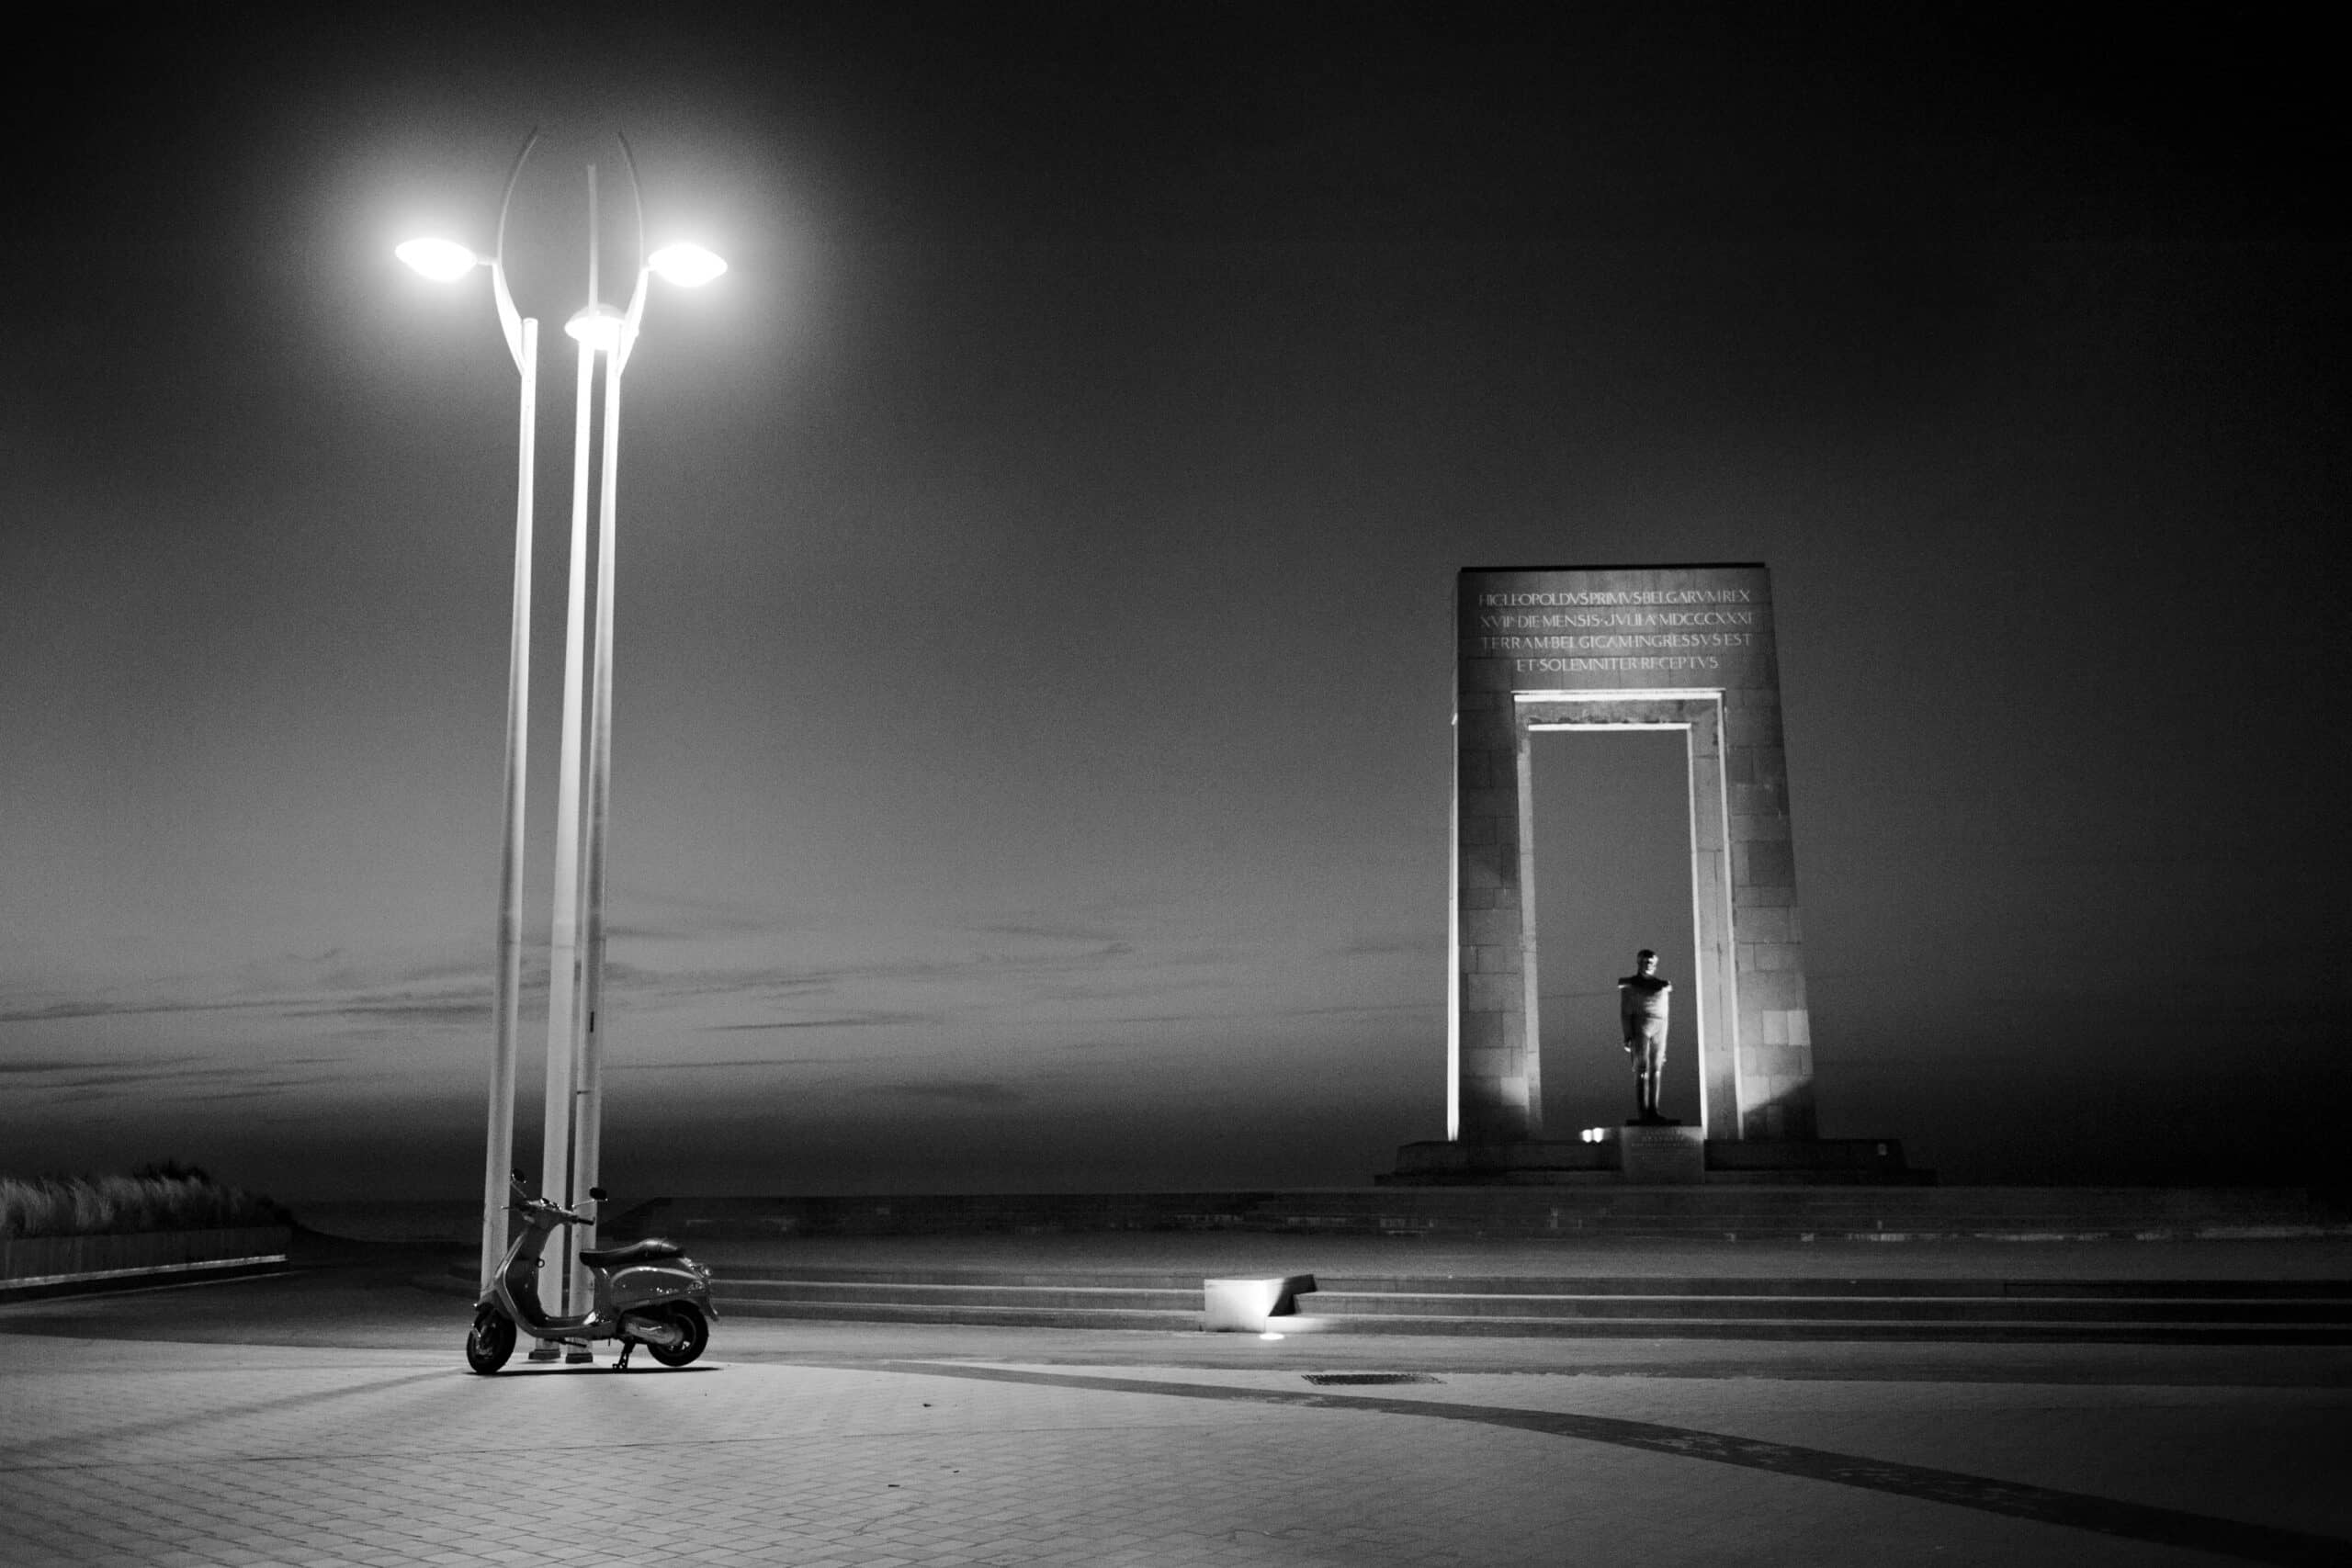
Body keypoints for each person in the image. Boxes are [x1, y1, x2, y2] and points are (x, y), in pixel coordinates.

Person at [1617, 949, 1674, 1123]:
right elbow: (1625, 1012)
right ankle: (1643, 1113)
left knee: (1656, 1070)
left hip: (1660, 1026)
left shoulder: (1663, 986)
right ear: (1639, 963)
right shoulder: (1629, 985)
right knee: (1641, 1071)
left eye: (1651, 962)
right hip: (1640, 1025)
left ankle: (1653, 1111)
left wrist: (1663, 1046)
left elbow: (1666, 1013)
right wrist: (1627, 1034)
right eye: (1645, 961)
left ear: (1655, 964)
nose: (1648, 964)